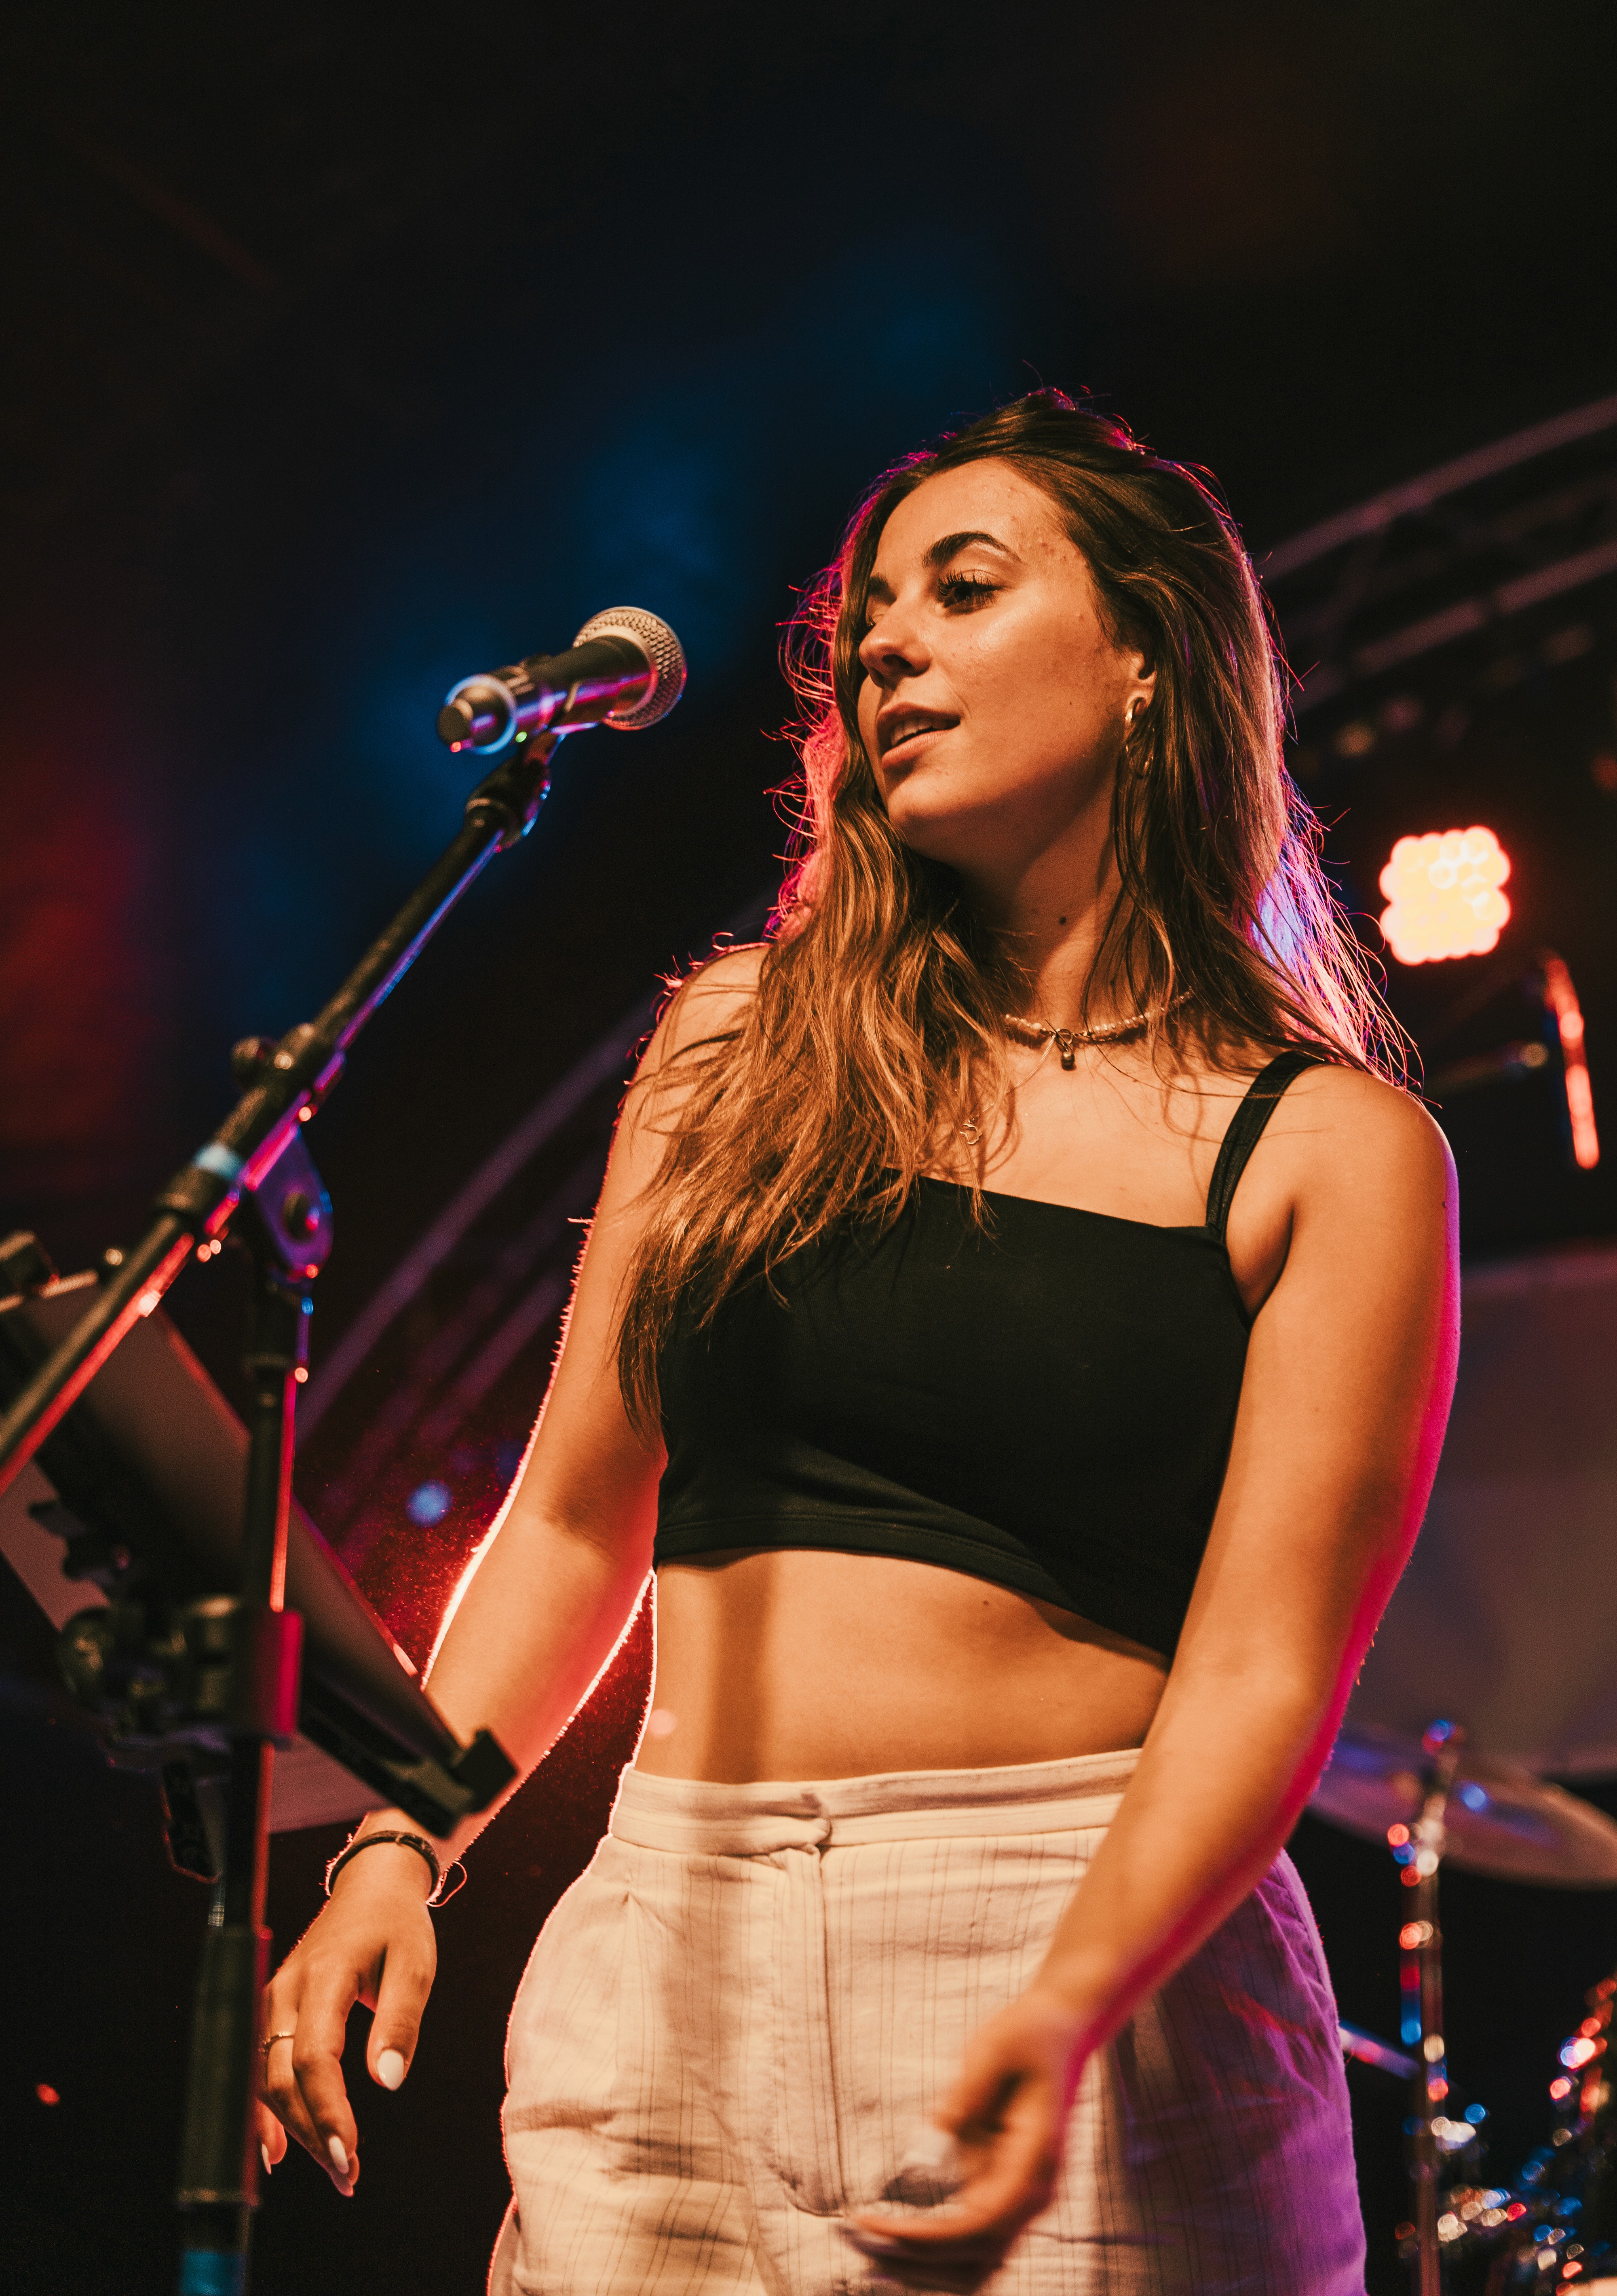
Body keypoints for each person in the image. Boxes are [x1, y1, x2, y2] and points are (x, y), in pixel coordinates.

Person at [257, 392, 1459, 2293]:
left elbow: (1265, 1670)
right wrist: (400, 1845)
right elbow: (572, 1519)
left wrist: (1067, 2001)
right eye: (867, 619)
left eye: (963, 590)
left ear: (1149, 664)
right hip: (671, 1936)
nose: (887, 646)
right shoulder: (739, 1042)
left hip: (1087, 1923)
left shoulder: (1328, 1148)